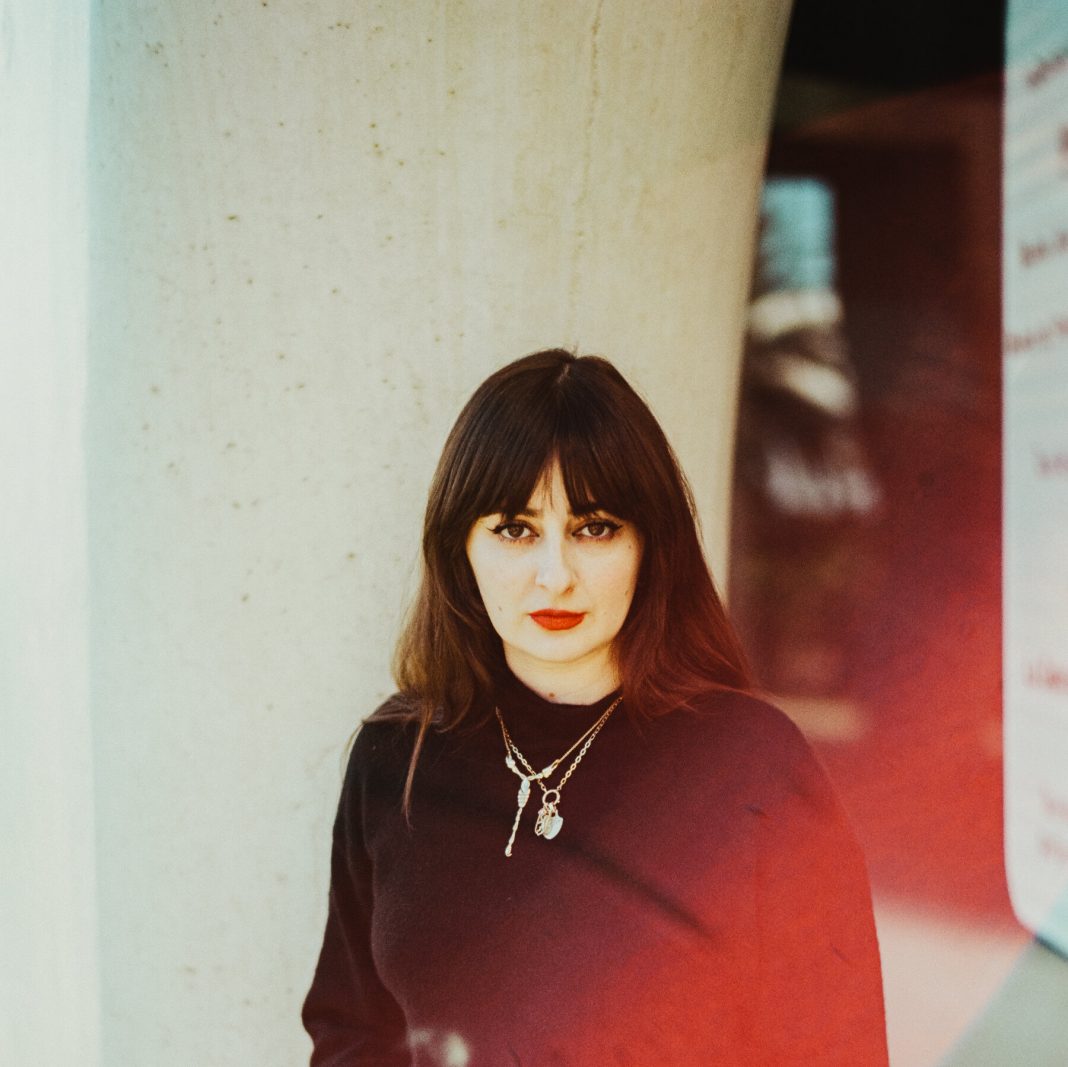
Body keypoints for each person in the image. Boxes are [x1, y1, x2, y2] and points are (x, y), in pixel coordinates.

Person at [302, 349, 888, 1066]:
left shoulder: (754, 765)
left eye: (594, 527)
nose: (555, 575)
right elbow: (351, 1031)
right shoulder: (397, 753)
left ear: (650, 546)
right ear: (461, 549)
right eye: (515, 528)